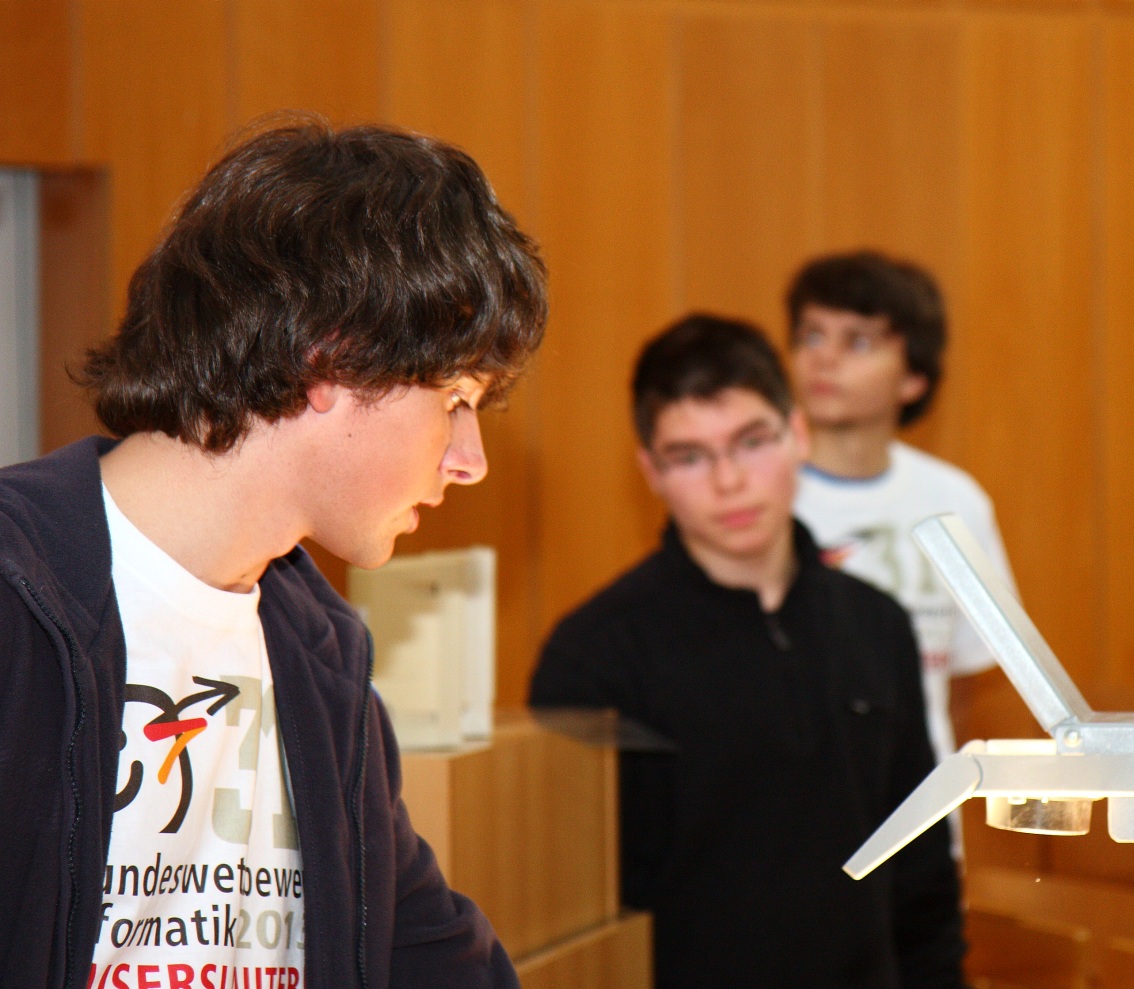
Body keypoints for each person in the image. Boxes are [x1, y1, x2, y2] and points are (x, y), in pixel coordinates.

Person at [0, 117, 546, 989]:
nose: (469, 460)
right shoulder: (18, 596)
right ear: (331, 359)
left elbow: (433, 958)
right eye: (454, 399)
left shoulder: (322, 654)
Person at [529, 315, 965, 989]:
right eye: (690, 456)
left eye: (752, 441)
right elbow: (570, 911)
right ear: (650, 471)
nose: (729, 481)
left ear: (798, 435)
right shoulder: (594, 653)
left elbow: (922, 869)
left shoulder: (878, 624)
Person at [788, 250, 1018, 764]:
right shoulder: (756, 498)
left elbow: (962, 686)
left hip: (921, 797)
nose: (825, 359)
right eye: (812, 336)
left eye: (858, 342)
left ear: (914, 376)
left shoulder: (956, 501)